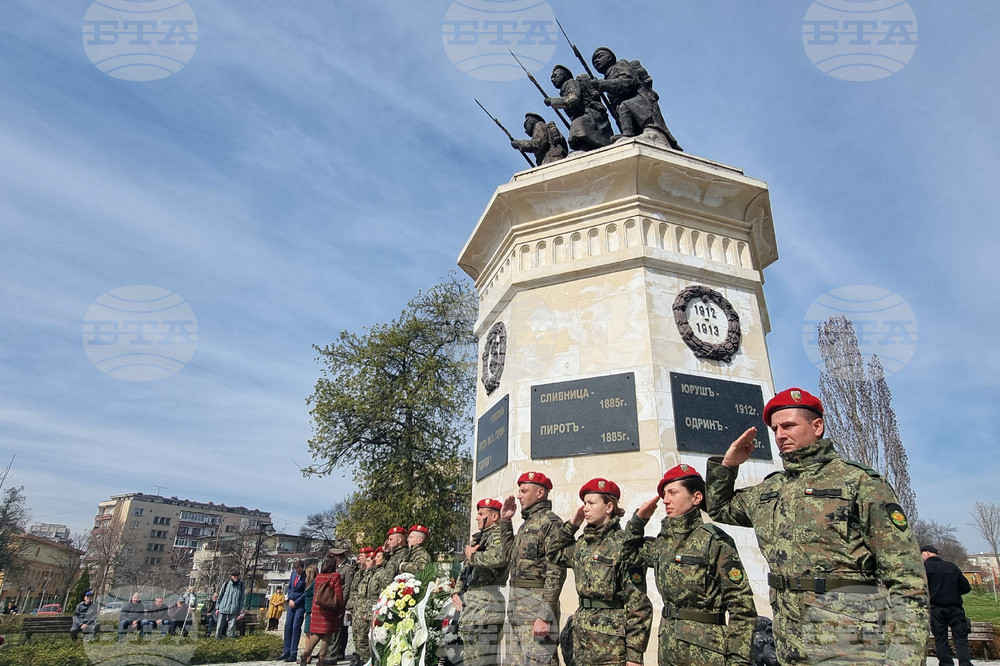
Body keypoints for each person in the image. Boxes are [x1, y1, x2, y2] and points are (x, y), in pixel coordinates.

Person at [706, 387, 929, 665]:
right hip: (790, 644)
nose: (780, 435)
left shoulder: (859, 482)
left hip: (849, 643)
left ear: (817, 426)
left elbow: (906, 578)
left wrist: (904, 658)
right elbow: (719, 507)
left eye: (789, 426)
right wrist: (728, 465)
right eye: (775, 429)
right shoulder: (771, 489)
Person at [628, 466, 754, 665]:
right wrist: (639, 520)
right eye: (664, 494)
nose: (665, 500)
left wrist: (739, 661)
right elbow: (627, 553)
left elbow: (742, 606)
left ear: (696, 497)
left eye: (672, 492)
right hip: (669, 648)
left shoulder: (714, 541)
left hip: (706, 651)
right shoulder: (662, 544)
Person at [548, 479, 652, 666]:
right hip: (581, 639)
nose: (585, 508)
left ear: (609, 507)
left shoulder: (624, 544)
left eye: (591, 503)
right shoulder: (582, 544)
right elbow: (552, 553)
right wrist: (572, 525)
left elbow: (638, 604)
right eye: (584, 503)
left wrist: (634, 656)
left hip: (611, 644)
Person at [501, 471, 567, 666]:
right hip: (518, 609)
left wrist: (544, 616)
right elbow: (511, 555)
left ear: (540, 493)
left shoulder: (551, 523)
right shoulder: (526, 524)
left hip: (536, 610)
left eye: (524, 491)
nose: (519, 496)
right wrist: (505, 522)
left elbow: (556, 572)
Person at [452, 498, 514, 666]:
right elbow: (466, 569)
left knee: (482, 660)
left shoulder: (498, 534)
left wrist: (473, 556)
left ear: (494, 516)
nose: (477, 517)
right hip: (473, 603)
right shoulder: (480, 537)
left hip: (487, 602)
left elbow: (500, 557)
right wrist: (456, 591)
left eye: (481, 514)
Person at [590, 47, 680, 150]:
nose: (596, 61)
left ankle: (651, 130)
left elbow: (628, 82)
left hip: (640, 100)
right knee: (623, 108)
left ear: (609, 57)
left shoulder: (620, 65)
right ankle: (628, 133)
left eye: (599, 57)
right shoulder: (607, 77)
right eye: (594, 62)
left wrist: (601, 84)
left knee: (625, 106)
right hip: (626, 112)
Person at [922, 545, 974, 666]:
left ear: (927, 553)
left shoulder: (924, 568)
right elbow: (966, 587)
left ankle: (946, 664)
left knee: (941, 639)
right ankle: (965, 663)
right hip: (955, 608)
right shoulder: (952, 567)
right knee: (961, 639)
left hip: (935, 609)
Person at [545, 65, 613, 152]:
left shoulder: (571, 83)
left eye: (554, 76)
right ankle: (584, 146)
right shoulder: (563, 90)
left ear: (563, 75)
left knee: (578, 123)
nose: (552, 80)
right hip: (582, 116)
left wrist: (553, 101)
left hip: (590, 114)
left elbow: (574, 99)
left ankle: (583, 147)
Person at [300, 558, 345, 666]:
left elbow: (316, 593)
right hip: (330, 610)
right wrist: (340, 609)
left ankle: (306, 653)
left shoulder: (319, 576)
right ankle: (321, 660)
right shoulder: (335, 576)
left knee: (317, 633)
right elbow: (338, 594)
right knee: (327, 635)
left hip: (317, 609)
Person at [327, 548, 355, 662]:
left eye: (334, 557)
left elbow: (347, 587)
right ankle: (331, 651)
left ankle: (337, 653)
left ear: (338, 557)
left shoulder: (347, 568)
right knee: (333, 628)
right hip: (332, 601)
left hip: (340, 602)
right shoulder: (334, 568)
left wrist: (341, 602)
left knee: (340, 629)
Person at [352, 548, 377, 666]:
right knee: (356, 635)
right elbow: (355, 588)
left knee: (363, 637)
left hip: (366, 609)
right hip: (358, 608)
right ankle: (359, 658)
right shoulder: (363, 573)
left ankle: (365, 660)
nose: (365, 563)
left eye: (368, 560)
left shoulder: (374, 574)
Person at [280, 560, 308, 662]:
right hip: (291, 604)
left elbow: (305, 592)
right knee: (288, 626)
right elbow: (290, 587)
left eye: (298, 570)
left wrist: (296, 602)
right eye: (295, 570)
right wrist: (290, 599)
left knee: (296, 627)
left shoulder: (306, 576)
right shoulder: (293, 574)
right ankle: (286, 651)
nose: (297, 572)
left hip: (300, 605)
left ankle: (293, 652)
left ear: (302, 568)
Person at [297, 565, 319, 664]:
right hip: (308, 609)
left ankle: (308, 656)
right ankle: (307, 655)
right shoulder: (308, 584)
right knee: (307, 633)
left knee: (310, 633)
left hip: (312, 610)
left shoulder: (314, 583)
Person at [216, 571, 245, 639]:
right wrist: (217, 608)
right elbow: (220, 596)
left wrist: (241, 610)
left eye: (237, 576)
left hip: (234, 609)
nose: (236, 577)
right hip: (223, 608)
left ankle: (230, 640)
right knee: (220, 625)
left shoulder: (241, 585)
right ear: (231, 576)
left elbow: (242, 599)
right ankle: (217, 638)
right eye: (234, 576)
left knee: (232, 627)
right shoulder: (226, 584)